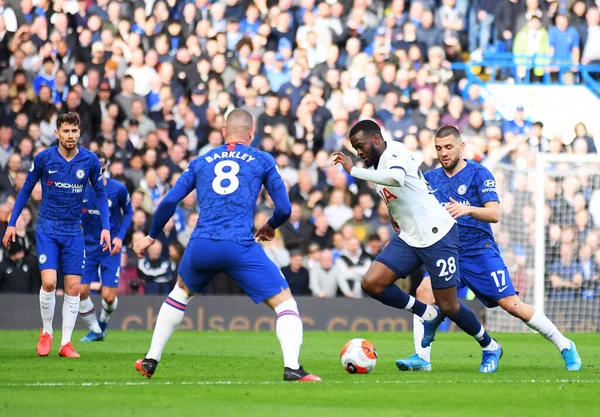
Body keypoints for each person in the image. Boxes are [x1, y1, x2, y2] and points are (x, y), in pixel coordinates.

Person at [132, 109, 320, 382]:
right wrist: (270, 226)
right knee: (284, 303)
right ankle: (292, 368)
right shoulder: (262, 159)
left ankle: (150, 360)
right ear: (252, 133)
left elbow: (169, 201)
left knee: (180, 293)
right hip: (239, 244)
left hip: (201, 244)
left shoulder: (201, 160)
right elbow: (284, 208)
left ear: (223, 132)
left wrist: (151, 236)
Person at [396, 126, 582, 371]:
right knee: (424, 291)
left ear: (461, 147)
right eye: (439, 148)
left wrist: (468, 209)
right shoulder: (430, 179)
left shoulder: (479, 173)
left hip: (480, 251)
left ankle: (565, 345)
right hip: (449, 252)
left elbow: (494, 213)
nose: (444, 153)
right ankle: (422, 358)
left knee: (512, 305)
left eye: (449, 147)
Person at [333, 119, 502, 373]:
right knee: (372, 283)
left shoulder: (395, 152)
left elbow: (397, 179)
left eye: (360, 145)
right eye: (355, 148)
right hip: (411, 237)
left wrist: (353, 170)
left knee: (449, 306)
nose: (358, 152)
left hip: (439, 235)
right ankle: (426, 314)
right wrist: (394, 215)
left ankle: (490, 346)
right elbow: (398, 194)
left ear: (376, 139)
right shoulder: (378, 165)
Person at [2, 112, 111, 358]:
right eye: (66, 131)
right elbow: (26, 188)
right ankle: (47, 332)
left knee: (73, 288)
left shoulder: (90, 161)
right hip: (48, 229)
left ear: (79, 132)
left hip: (74, 231)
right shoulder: (44, 158)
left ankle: (66, 343)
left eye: (74, 131)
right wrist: (12, 221)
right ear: (57, 133)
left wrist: (106, 226)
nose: (70, 136)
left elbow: (101, 195)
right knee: (49, 282)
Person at [79, 151, 133, 342]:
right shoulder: (80, 188)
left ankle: (102, 322)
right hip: (87, 247)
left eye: (102, 164)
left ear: (106, 166)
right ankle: (96, 329)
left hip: (110, 248)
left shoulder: (118, 189)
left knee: (108, 297)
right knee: (81, 291)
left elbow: (128, 212)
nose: (99, 168)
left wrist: (119, 238)